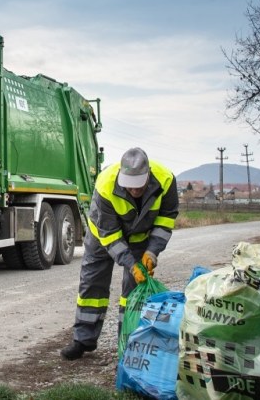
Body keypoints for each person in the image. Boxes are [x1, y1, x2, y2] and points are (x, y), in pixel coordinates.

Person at [60, 147, 179, 360]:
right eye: (129, 187)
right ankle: (83, 340)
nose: (134, 191)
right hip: (102, 238)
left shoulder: (166, 180)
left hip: (140, 240)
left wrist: (152, 252)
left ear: (148, 175)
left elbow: (165, 221)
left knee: (134, 291)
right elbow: (111, 236)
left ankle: (129, 344)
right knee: (92, 284)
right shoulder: (105, 184)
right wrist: (130, 264)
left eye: (138, 187)